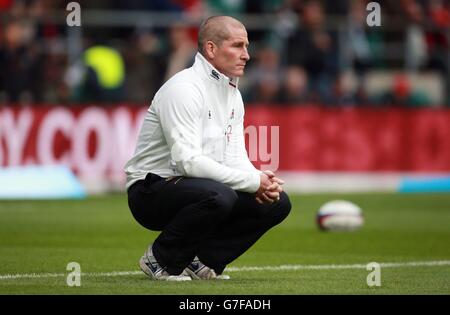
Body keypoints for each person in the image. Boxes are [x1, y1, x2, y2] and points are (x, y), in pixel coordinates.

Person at [124, 16, 291, 281]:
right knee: (219, 195)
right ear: (211, 49)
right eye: (237, 46)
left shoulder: (232, 94)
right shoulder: (183, 88)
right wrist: (250, 180)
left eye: (246, 46)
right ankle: (161, 258)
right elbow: (186, 162)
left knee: (276, 202)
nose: (246, 55)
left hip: (197, 187)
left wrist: (261, 182)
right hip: (150, 191)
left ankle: (202, 260)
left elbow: (234, 157)